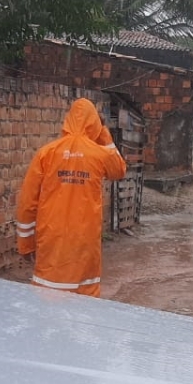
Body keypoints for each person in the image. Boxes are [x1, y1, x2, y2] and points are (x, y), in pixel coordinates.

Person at [15, 98, 127, 297]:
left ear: (67, 120)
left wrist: (26, 244)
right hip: (85, 242)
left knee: (46, 298)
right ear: (93, 123)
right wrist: (102, 133)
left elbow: (28, 203)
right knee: (84, 303)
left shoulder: (46, 154)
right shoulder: (99, 155)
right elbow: (119, 170)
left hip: (51, 240)